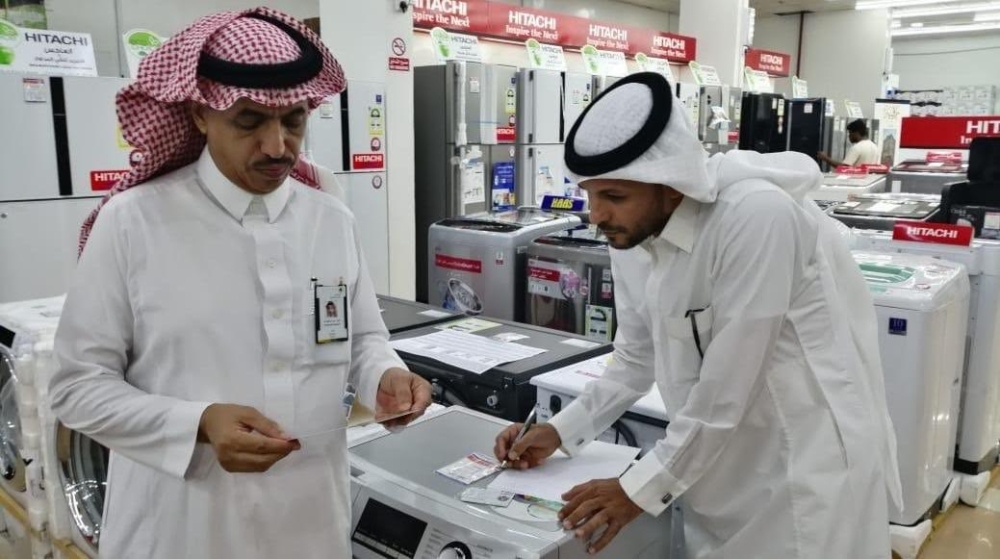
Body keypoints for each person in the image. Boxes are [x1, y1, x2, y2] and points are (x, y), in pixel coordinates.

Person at [50, 8, 431, 558]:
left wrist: (386, 376)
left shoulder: (330, 218)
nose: (277, 146)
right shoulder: (135, 221)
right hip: (183, 528)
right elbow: (76, 387)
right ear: (201, 114)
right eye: (249, 121)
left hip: (308, 524)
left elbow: (363, 339)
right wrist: (198, 423)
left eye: (294, 120)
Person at [494, 72, 902, 559]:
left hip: (801, 478)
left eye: (614, 197)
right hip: (717, 476)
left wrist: (639, 489)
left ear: (670, 185)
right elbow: (635, 358)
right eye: (590, 194)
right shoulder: (633, 236)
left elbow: (727, 391)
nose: (596, 214)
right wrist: (561, 429)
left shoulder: (755, 217)